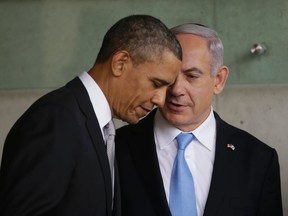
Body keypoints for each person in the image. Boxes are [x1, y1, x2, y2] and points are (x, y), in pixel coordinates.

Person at [0, 15, 182, 216]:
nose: (160, 100)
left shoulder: (100, 126)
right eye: (156, 84)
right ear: (120, 63)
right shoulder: (55, 119)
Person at [115, 23, 283, 216]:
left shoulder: (258, 159)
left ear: (219, 80)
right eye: (169, 76)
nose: (176, 90)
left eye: (191, 76)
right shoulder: (115, 149)